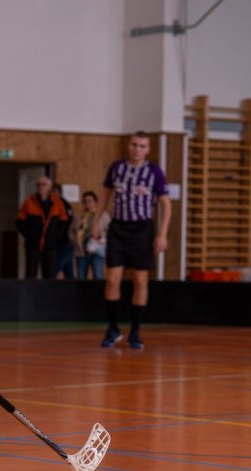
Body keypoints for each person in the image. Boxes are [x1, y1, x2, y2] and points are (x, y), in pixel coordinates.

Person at [94, 131, 171, 349]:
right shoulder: (116, 167)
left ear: (148, 149)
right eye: (134, 145)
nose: (137, 149)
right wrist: (96, 222)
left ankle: (135, 332)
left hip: (142, 229)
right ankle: (113, 329)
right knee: (112, 280)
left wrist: (162, 234)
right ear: (129, 146)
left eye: (142, 146)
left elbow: (166, 204)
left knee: (140, 281)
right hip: (118, 228)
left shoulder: (154, 171)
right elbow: (105, 195)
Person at [15, 175, 69, 279]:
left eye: (44, 184)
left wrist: (56, 236)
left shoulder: (58, 202)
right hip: (33, 246)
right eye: (38, 184)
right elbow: (19, 222)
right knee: (30, 275)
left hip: (50, 246)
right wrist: (29, 235)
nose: (40, 186)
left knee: (49, 276)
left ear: (49, 187)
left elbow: (64, 222)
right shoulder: (29, 201)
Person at [73, 190, 108, 280]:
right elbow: (71, 232)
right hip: (81, 251)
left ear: (95, 202)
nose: (87, 203)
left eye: (90, 201)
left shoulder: (102, 215)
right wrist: (75, 241)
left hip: (97, 250)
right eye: (85, 201)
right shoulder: (79, 216)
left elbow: (110, 231)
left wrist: (102, 238)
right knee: (81, 277)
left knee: (98, 275)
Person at [51, 183, 75, 279]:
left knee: (53, 271)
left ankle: (47, 288)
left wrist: (54, 238)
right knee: (68, 272)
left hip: (63, 243)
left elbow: (66, 224)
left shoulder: (64, 205)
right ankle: (72, 288)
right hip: (64, 243)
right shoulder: (55, 204)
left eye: (52, 192)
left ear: (58, 192)